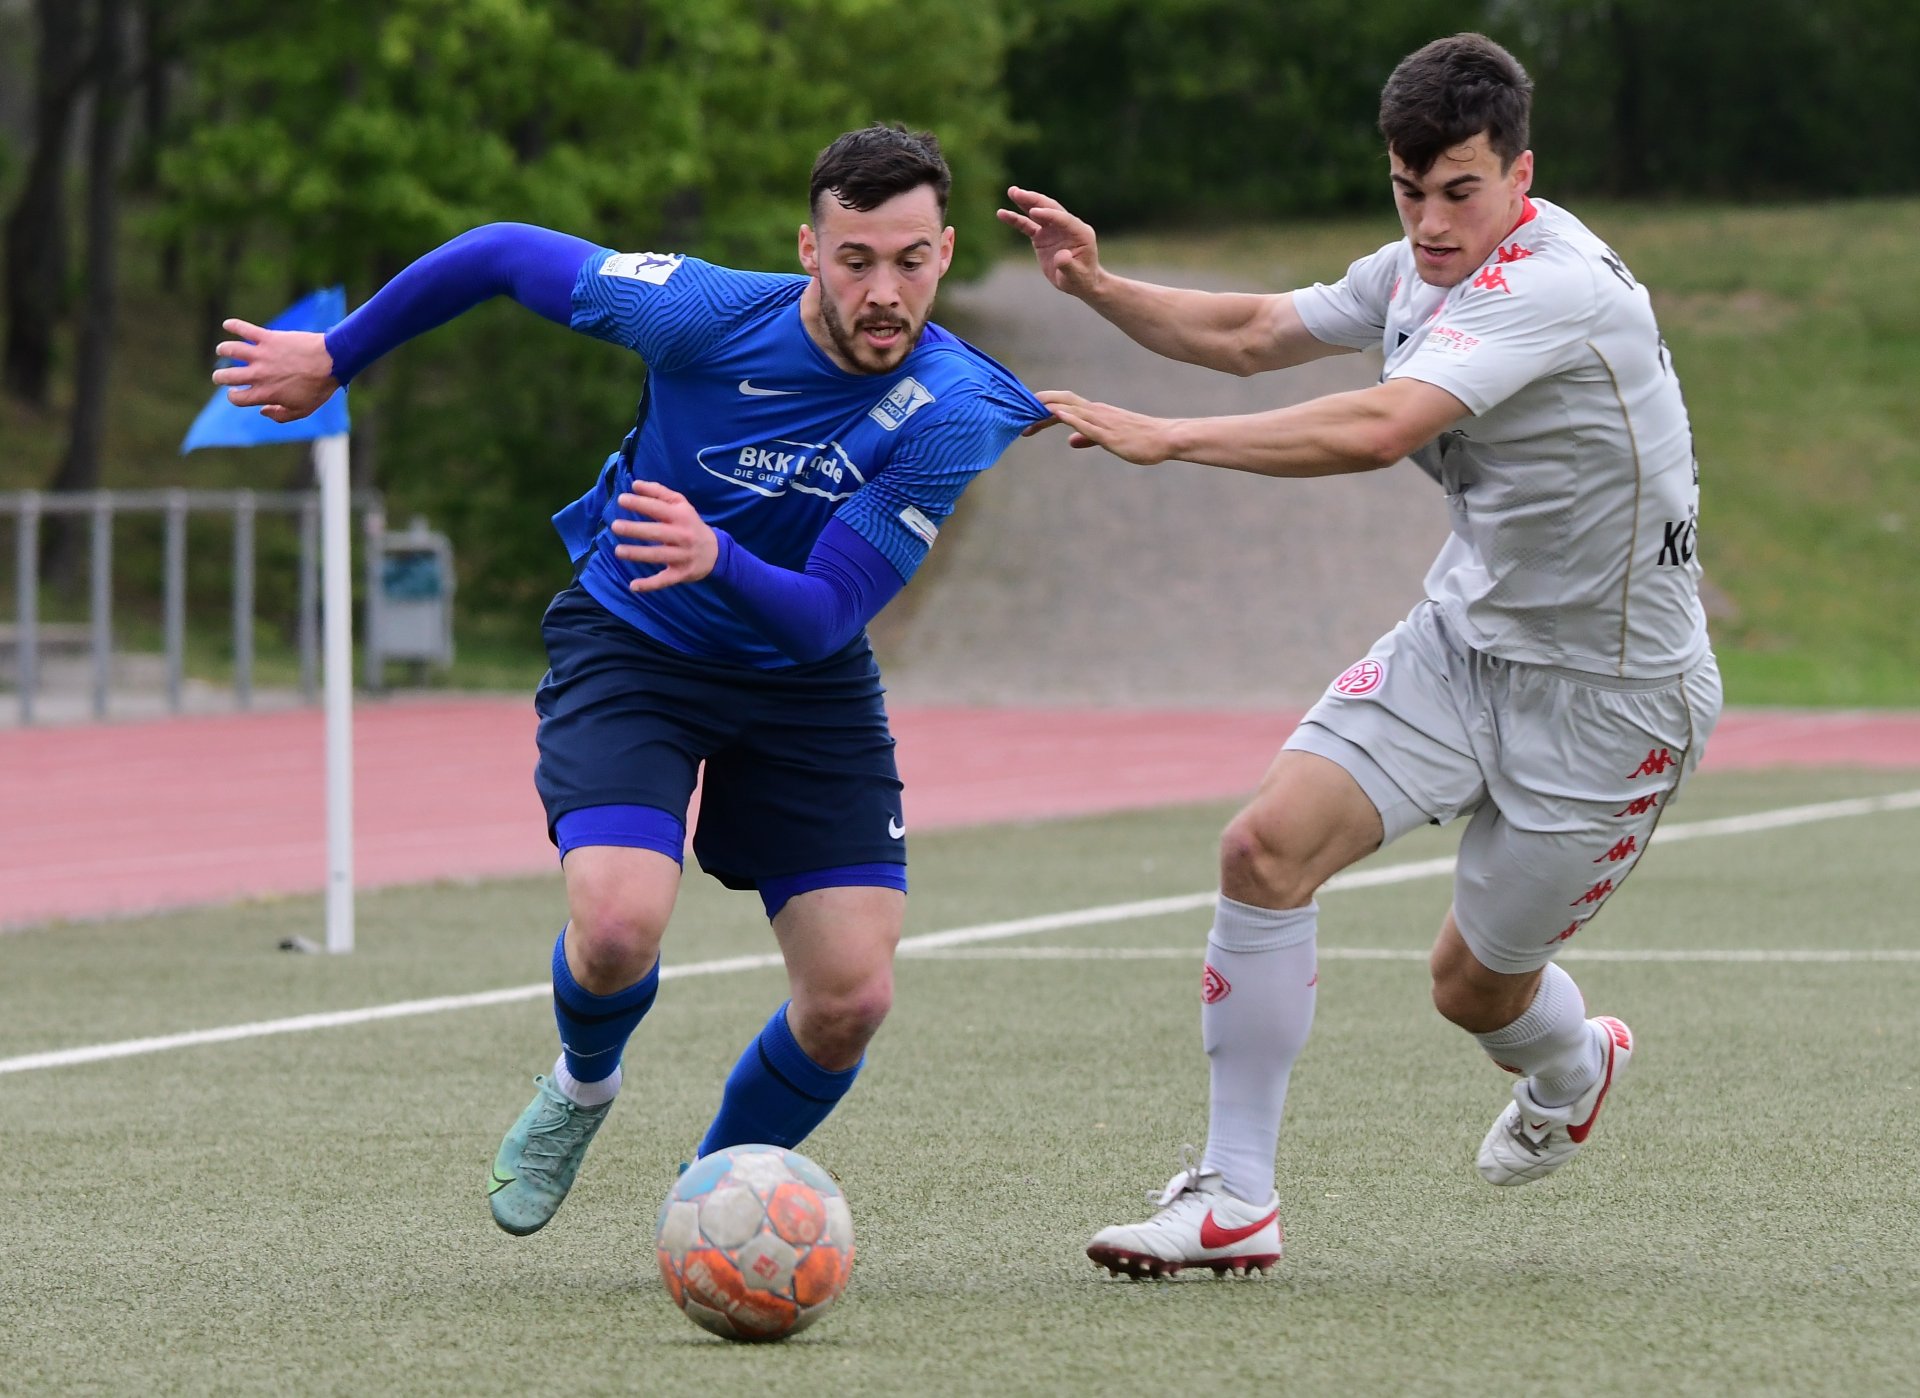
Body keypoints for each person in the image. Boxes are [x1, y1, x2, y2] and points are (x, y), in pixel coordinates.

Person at [216, 123, 1047, 1236]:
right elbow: (505, 250)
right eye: (857, 259)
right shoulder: (699, 313)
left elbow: (827, 617)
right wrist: (336, 355)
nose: (884, 290)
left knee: (851, 998)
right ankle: (580, 1087)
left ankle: (708, 1200)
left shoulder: (960, 407)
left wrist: (722, 554)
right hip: (636, 643)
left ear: (945, 253)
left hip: (802, 681)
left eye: (910, 260)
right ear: (809, 248)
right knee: (614, 929)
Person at [1000, 33, 1721, 1277]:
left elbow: (1385, 426)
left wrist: (1170, 442)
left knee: (1472, 990)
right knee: (1262, 850)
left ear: (1520, 174)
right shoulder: (1417, 270)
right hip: (1462, 645)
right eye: (1409, 191)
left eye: (1460, 192)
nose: (1432, 224)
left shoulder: (1559, 284)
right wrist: (1099, 289)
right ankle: (1234, 1199)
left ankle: (1572, 1058)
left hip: (1613, 701)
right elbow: (1253, 329)